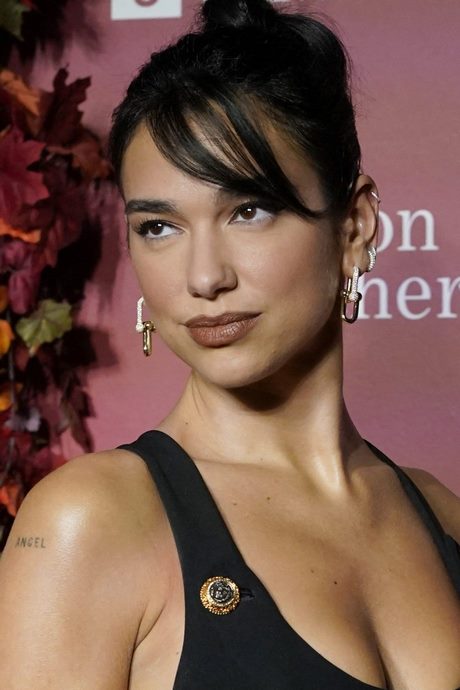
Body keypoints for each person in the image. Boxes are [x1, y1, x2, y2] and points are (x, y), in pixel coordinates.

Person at [0, 0, 459, 688]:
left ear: (354, 226)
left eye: (249, 210)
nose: (204, 277)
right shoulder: (90, 523)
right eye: (159, 227)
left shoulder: (443, 518)